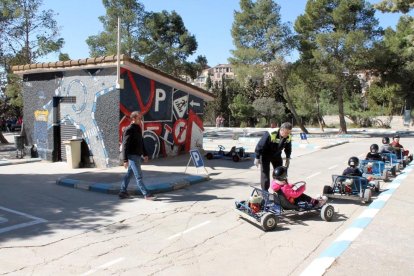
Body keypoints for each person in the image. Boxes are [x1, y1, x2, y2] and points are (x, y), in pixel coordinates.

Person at [119, 111, 156, 200]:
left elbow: (141, 142)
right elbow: (125, 145)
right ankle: (146, 194)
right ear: (133, 119)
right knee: (138, 176)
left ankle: (122, 191)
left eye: (141, 118)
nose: (141, 120)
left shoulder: (138, 128)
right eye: (139, 118)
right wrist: (125, 160)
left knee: (129, 174)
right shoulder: (129, 129)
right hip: (132, 156)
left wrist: (145, 154)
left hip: (138, 155)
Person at [254, 122, 293, 191]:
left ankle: (282, 190)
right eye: (286, 133)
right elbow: (260, 145)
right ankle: (265, 191)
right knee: (265, 174)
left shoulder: (288, 136)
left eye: (289, 133)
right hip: (265, 155)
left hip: (276, 155)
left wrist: (288, 157)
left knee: (281, 173)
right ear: (281, 129)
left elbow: (288, 148)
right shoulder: (271, 133)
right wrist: (257, 157)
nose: (287, 134)